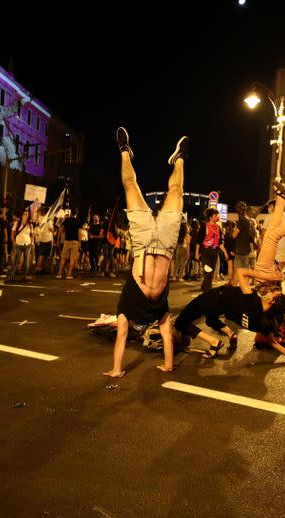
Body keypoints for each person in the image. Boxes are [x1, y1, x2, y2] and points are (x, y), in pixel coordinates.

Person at [103, 127, 187, 378]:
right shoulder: (160, 311)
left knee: (130, 185)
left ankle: (124, 151)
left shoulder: (125, 308)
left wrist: (117, 370)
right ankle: (180, 157)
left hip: (141, 242)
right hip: (166, 244)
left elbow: (120, 337)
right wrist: (169, 365)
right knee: (177, 192)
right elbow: (168, 338)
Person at [174, 266, 285, 364]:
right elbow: (273, 343)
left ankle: (213, 342)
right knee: (211, 320)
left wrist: (266, 275)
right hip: (221, 308)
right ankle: (230, 334)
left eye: (275, 294)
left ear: (271, 301)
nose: (273, 291)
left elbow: (240, 271)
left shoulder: (253, 301)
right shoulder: (265, 323)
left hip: (215, 297)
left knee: (181, 322)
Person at [196, 207, 229, 292]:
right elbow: (199, 240)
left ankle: (204, 286)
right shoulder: (204, 226)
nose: (217, 217)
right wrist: (197, 253)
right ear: (210, 217)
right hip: (205, 251)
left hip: (215, 251)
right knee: (208, 271)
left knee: (211, 271)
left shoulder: (218, 228)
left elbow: (220, 243)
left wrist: (225, 253)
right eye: (215, 215)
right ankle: (208, 290)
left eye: (217, 215)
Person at [8, 209, 33, 281]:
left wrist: (31, 242)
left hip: (27, 244)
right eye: (24, 214)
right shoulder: (17, 223)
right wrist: (13, 242)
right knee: (15, 261)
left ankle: (24, 276)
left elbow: (31, 235)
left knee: (26, 261)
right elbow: (12, 233)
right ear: (22, 215)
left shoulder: (30, 225)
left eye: (27, 214)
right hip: (18, 244)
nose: (25, 215)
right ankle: (11, 275)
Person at [232, 201, 254, 284]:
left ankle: (234, 288)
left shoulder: (241, 221)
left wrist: (233, 231)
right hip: (246, 249)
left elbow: (234, 235)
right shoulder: (248, 220)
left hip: (240, 249)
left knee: (237, 270)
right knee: (245, 271)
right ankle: (245, 289)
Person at [57, 208, 81, 279]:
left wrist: (58, 239)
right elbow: (79, 232)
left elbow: (62, 229)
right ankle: (69, 274)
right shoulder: (77, 221)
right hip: (75, 241)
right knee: (72, 258)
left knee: (63, 258)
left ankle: (59, 273)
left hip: (67, 240)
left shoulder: (66, 220)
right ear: (76, 213)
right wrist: (80, 242)